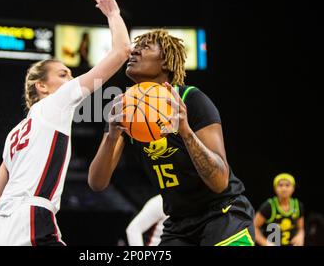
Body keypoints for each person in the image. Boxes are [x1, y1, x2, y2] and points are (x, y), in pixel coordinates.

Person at [0, 0, 130, 246]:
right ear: (42, 86)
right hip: (29, 222)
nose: (70, 80)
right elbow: (122, 51)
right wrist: (113, 13)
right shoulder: (56, 103)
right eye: (63, 74)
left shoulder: (13, 136)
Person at [88, 29, 255, 246]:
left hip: (222, 213)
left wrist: (185, 132)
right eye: (135, 46)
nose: (134, 51)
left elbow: (220, 182)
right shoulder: (124, 110)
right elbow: (97, 183)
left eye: (145, 47)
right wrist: (111, 136)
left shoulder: (190, 99)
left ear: (165, 62)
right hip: (178, 223)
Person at [254, 173, 305, 246]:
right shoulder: (269, 206)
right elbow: (254, 227)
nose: (284, 188)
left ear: (293, 188)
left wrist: (300, 236)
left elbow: (301, 228)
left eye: (287, 185)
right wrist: (266, 243)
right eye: (280, 185)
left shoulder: (298, 205)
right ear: (275, 188)